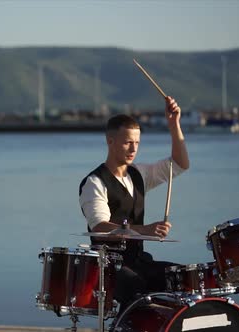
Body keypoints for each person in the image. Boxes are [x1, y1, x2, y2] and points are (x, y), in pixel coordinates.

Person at [78, 96, 189, 314]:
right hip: (109, 267)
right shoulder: (94, 182)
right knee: (136, 285)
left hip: (139, 261)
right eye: (128, 142)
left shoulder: (139, 174)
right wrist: (144, 230)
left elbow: (180, 164)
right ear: (110, 141)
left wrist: (174, 124)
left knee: (183, 277)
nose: (133, 148)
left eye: (137, 143)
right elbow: (100, 228)